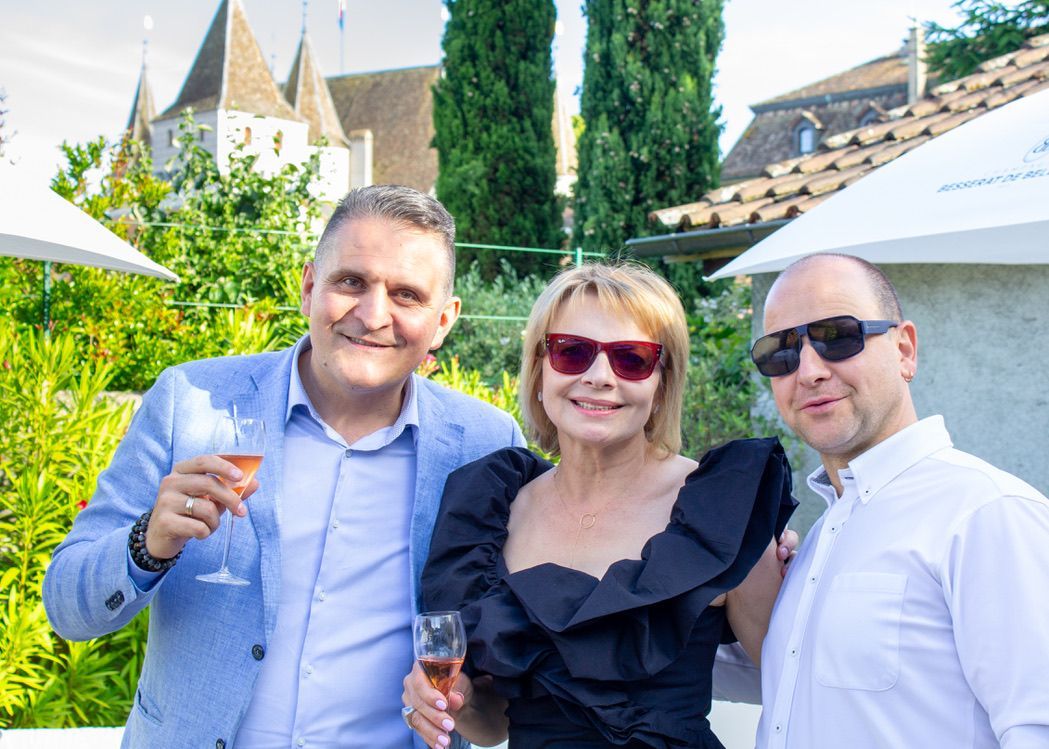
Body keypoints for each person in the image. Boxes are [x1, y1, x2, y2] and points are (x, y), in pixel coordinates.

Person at [42, 185, 525, 749]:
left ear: (442, 321)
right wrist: (147, 543)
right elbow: (69, 609)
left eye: (406, 295)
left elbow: (504, 659)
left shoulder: (486, 445)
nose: (372, 315)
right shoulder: (191, 402)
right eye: (351, 282)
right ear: (308, 287)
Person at [402, 262, 797, 749]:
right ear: (539, 371)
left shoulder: (717, 516)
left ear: (661, 383)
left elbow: (799, 690)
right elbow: (493, 727)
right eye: (573, 352)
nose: (599, 376)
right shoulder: (495, 515)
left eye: (631, 358)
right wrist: (452, 699)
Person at [752, 253, 1049, 748]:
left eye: (837, 335)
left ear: (904, 349)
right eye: (780, 352)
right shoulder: (824, 533)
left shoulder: (986, 514)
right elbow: (797, 685)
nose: (808, 371)